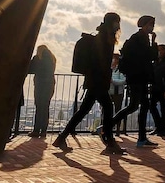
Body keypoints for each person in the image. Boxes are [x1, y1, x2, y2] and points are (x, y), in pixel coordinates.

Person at [53, 13, 125, 154]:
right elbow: (100, 61)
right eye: (117, 22)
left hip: (94, 81)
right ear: (114, 23)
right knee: (107, 108)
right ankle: (110, 141)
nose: (118, 25)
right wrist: (104, 75)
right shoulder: (105, 38)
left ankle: (61, 137)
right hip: (98, 81)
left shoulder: (103, 35)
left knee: (84, 110)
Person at [111, 15, 159, 148]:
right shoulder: (139, 39)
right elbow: (150, 56)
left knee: (141, 105)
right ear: (144, 25)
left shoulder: (139, 38)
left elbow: (150, 57)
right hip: (138, 77)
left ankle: (142, 137)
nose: (152, 27)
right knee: (135, 106)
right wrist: (153, 42)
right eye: (151, 24)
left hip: (138, 77)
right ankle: (108, 126)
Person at [27, 45, 56, 138]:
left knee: (39, 108)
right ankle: (44, 131)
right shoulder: (52, 59)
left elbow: (30, 69)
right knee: (45, 107)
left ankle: (36, 130)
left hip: (40, 85)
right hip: (50, 85)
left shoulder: (38, 58)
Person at [149, 44, 165, 137]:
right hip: (155, 87)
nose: (159, 52)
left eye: (160, 50)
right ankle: (158, 126)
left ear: (164, 51)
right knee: (151, 106)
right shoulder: (156, 61)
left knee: (164, 109)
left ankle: (163, 129)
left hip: (163, 88)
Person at [109, 53, 127, 136]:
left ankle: (118, 129)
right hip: (109, 91)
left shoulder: (121, 70)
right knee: (106, 110)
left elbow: (123, 81)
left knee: (118, 110)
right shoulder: (109, 69)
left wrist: (113, 81)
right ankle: (105, 127)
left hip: (117, 92)